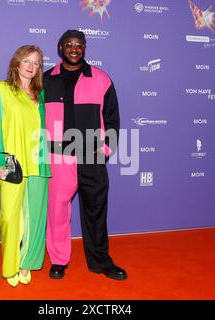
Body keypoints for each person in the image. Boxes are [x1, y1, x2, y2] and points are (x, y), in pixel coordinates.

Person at [43, 30, 127, 280]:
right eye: (68, 44)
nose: (73, 48)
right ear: (60, 48)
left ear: (85, 48)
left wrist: (105, 150)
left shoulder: (101, 79)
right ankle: (58, 260)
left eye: (78, 45)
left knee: (96, 212)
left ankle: (100, 261)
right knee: (57, 212)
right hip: (58, 158)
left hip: (91, 157)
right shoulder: (45, 80)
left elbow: (112, 120)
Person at [0, 45, 51, 287]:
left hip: (39, 162)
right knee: (10, 217)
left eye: (36, 63)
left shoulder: (41, 94)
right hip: (12, 164)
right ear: (16, 63)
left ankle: (27, 264)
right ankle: (10, 265)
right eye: (27, 61)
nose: (31, 67)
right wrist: (0, 162)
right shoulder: (1, 90)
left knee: (36, 217)